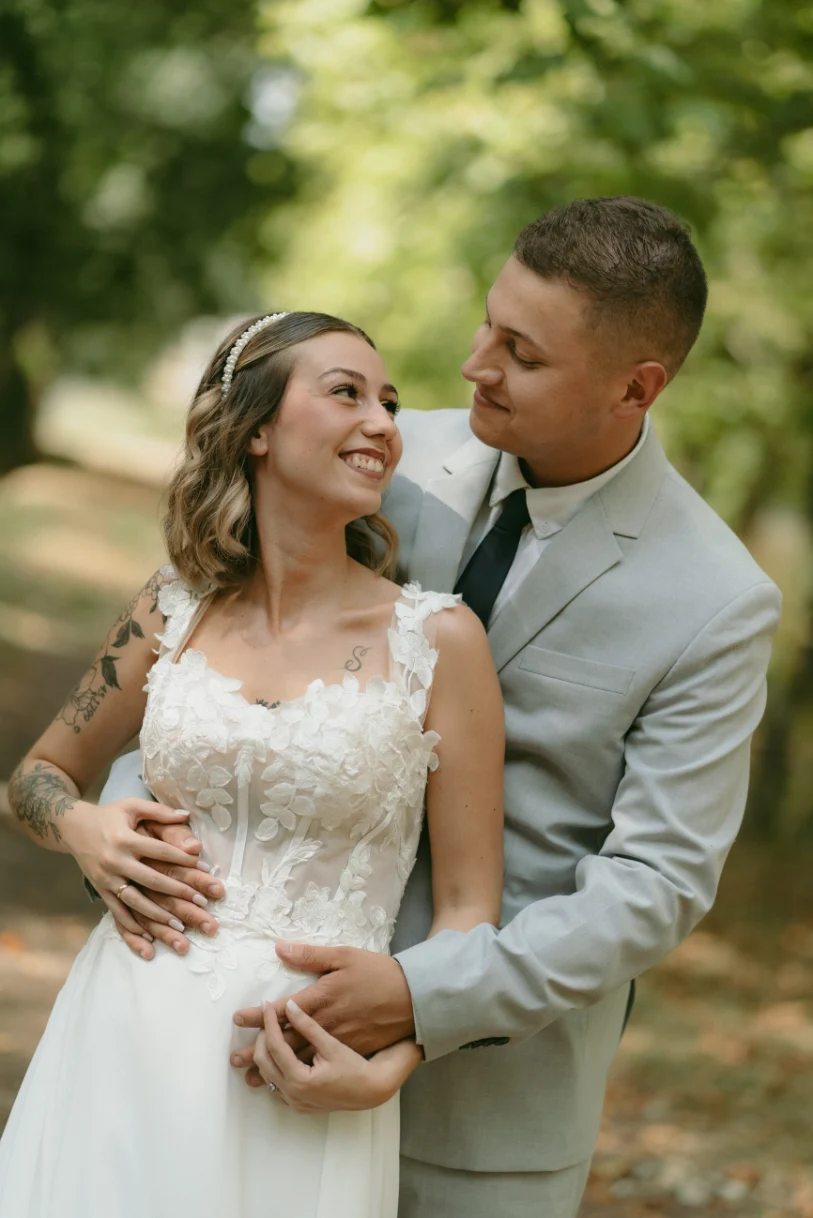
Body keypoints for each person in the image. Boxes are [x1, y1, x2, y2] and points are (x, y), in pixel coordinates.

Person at [97, 197, 781, 1218]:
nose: (474, 365)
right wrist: (121, 808)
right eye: (487, 325)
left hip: (483, 1119)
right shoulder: (373, 451)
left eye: (522, 354)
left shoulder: (715, 600)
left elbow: (655, 883)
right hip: (234, 1047)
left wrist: (422, 1003)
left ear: (635, 388)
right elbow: (205, 637)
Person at [0, 311, 505, 1218]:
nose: (383, 423)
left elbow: (469, 910)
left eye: (389, 403)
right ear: (257, 427)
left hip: (298, 1065)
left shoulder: (439, 641)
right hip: (122, 1032)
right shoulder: (170, 608)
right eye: (347, 392)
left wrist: (397, 1059)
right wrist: (82, 828)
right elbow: (36, 777)